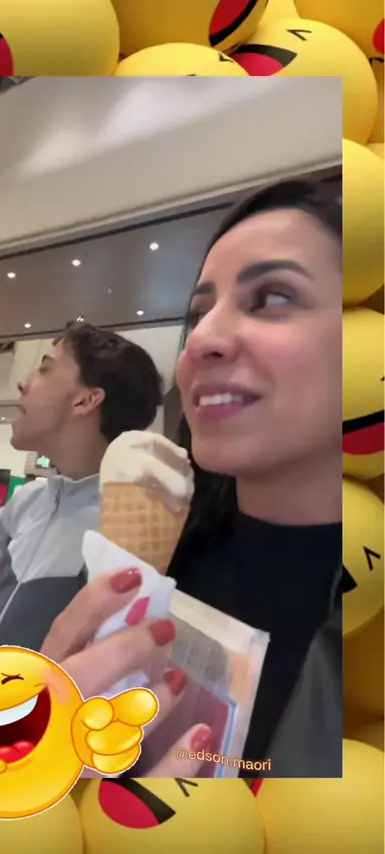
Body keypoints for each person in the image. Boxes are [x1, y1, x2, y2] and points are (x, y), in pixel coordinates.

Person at [41, 179, 342, 778]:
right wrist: (39, 761)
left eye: (271, 297)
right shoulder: (145, 572)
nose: (200, 340)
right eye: (199, 313)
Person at [0, 322, 163, 651]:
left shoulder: (130, 528)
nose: (23, 382)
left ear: (85, 401)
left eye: (45, 369)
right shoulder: (28, 500)